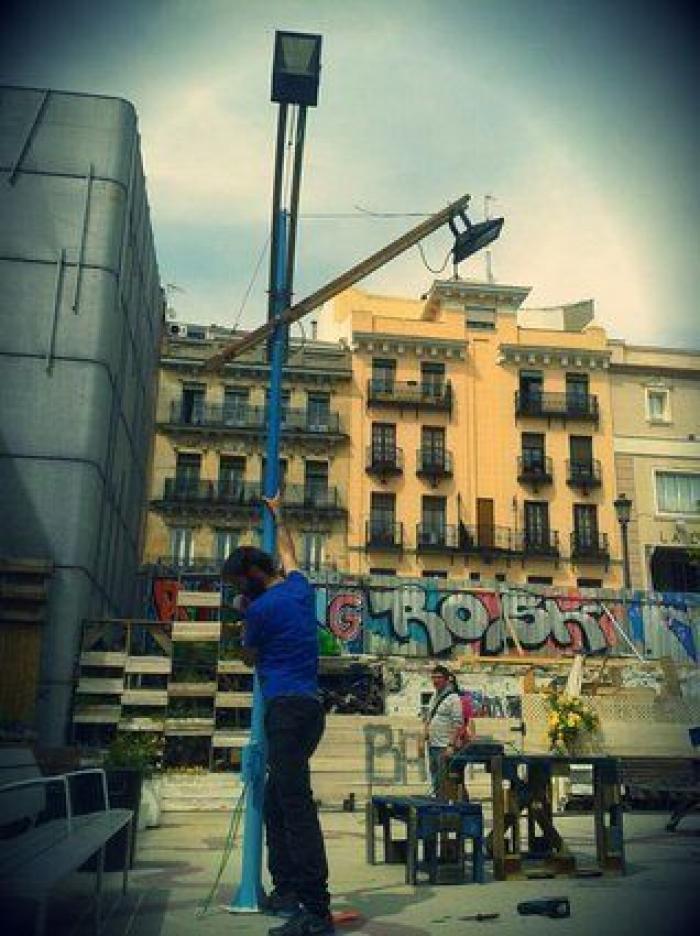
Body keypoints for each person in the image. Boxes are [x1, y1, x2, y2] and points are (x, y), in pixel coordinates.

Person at [222, 493, 333, 936]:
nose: (236, 591)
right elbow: (290, 552)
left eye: (236, 585)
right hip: (309, 711)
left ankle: (315, 908)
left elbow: (249, 658)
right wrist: (279, 514)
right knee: (276, 800)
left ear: (249, 579)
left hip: (285, 712)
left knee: (295, 805)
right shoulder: (299, 589)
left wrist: (243, 616)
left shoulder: (260, 610)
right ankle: (287, 887)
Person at [422, 664, 464, 797]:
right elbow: (429, 717)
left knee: (444, 779)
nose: (435, 680)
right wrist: (423, 736)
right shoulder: (434, 696)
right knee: (435, 778)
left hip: (444, 746)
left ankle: (445, 806)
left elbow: (458, 723)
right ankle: (437, 803)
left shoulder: (453, 698)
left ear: (446, 679)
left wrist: (451, 745)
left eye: (439, 677)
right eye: (433, 677)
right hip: (433, 744)